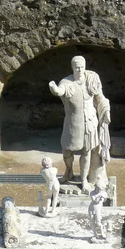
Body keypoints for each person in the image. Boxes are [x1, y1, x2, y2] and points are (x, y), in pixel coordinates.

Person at [49, 55, 111, 192]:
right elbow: (61, 90)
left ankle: (84, 180)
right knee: (66, 150)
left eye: (82, 67)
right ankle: (68, 171)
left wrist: (105, 108)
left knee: (87, 152)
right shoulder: (67, 82)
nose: (80, 70)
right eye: (77, 67)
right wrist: (54, 89)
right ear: (72, 68)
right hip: (73, 123)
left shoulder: (92, 79)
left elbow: (100, 97)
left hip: (89, 121)